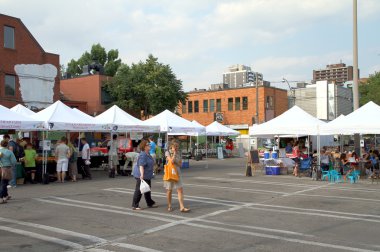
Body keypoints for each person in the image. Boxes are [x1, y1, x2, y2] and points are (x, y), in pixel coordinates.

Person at [164, 140, 190, 213]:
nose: (176, 148)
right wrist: (174, 154)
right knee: (169, 190)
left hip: (177, 172)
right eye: (175, 146)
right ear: (171, 146)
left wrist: (177, 160)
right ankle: (169, 205)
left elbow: (180, 164)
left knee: (180, 189)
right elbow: (171, 161)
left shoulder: (179, 153)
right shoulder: (167, 152)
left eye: (177, 146)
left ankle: (182, 206)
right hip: (170, 173)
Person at [131, 139, 158, 210]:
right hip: (142, 175)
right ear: (144, 147)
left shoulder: (147, 154)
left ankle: (149, 203)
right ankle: (135, 205)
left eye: (149, 144)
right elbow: (141, 165)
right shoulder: (143, 155)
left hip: (147, 175)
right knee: (139, 190)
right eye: (148, 145)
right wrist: (142, 175)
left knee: (147, 189)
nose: (150, 145)